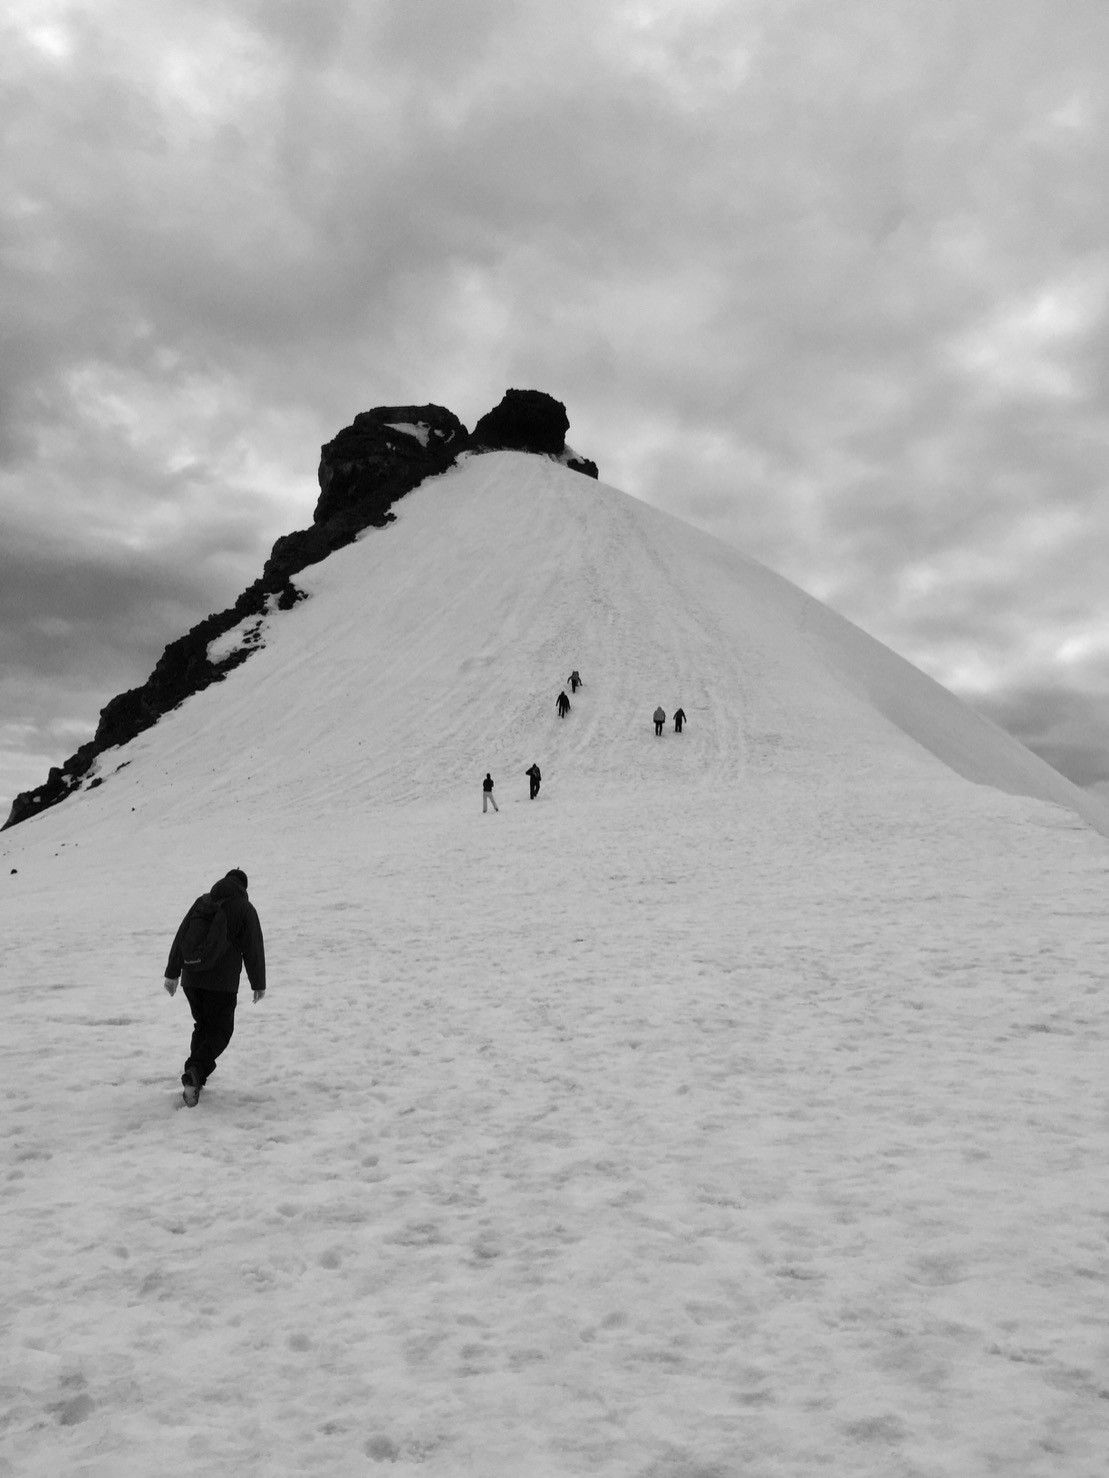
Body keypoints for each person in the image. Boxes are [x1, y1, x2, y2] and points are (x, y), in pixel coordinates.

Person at [163, 868, 265, 1107]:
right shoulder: (244, 909)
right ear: (243, 888)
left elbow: (182, 935)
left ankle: (194, 1082)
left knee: (203, 1026)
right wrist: (258, 983)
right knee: (221, 1031)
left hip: (192, 978)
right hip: (221, 983)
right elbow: (253, 947)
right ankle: (195, 1071)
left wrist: (172, 973)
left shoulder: (202, 902)